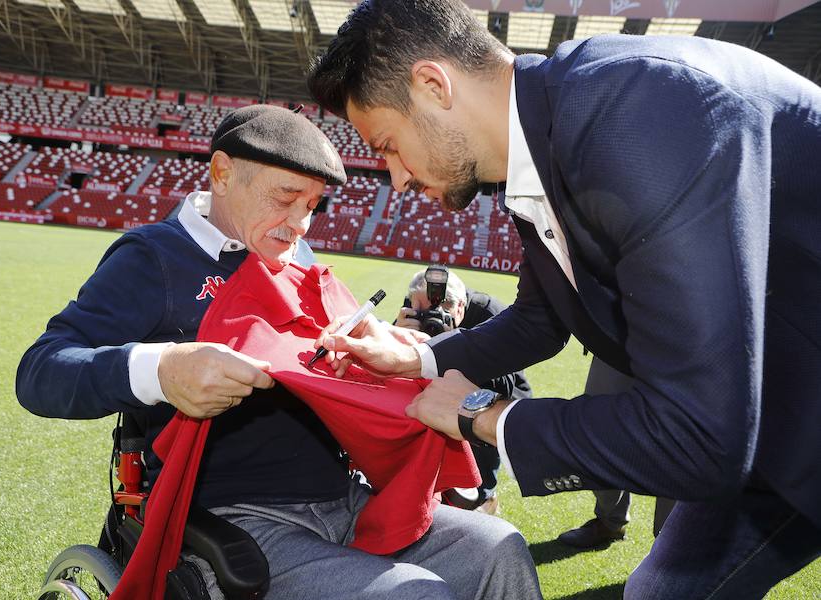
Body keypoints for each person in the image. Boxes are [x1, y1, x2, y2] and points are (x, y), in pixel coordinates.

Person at [307, 1, 821, 597]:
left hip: (752, 417)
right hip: (783, 412)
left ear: (432, 85)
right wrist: (420, 358)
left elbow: (700, 436)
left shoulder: (636, 110)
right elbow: (539, 319)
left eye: (389, 144)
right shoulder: (548, 138)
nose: (395, 178)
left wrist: (486, 415)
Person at [16, 104, 541, 600]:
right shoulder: (153, 259)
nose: (300, 223)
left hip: (347, 495)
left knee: (501, 548)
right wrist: (163, 368)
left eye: (312, 205)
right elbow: (40, 370)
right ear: (222, 174)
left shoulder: (295, 253)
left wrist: (379, 343)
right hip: (233, 514)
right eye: (284, 197)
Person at [396, 265, 533, 514]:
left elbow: (502, 385)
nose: (432, 319)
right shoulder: (414, 311)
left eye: (442, 310)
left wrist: (454, 347)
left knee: (481, 426)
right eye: (423, 310)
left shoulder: (493, 315)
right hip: (440, 379)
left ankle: (485, 496)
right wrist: (399, 334)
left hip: (501, 389)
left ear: (461, 306)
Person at [557, 357, 676, 549]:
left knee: (679, 439)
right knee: (597, 426)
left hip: (693, 337)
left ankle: (671, 551)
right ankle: (610, 521)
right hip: (619, 335)